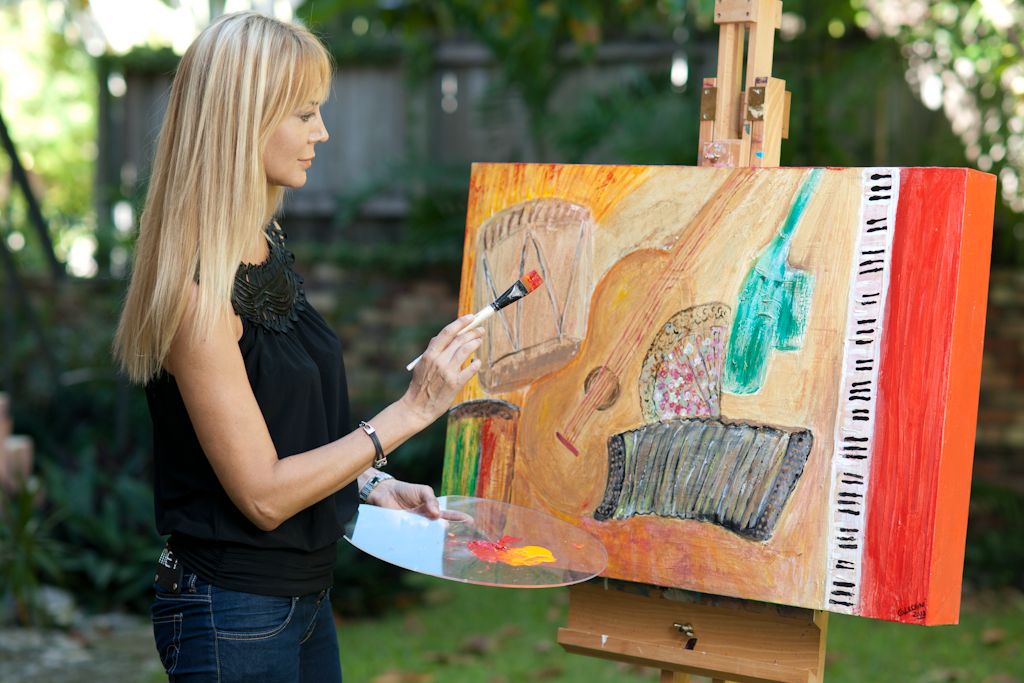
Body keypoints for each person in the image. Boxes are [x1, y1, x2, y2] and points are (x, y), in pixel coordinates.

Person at [112, 11, 482, 682]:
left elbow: (286, 428)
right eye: (306, 113)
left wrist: (372, 484)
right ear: (243, 122)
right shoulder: (198, 291)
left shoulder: (264, 246)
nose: (323, 132)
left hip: (302, 600)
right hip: (233, 612)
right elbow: (263, 495)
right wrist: (411, 411)